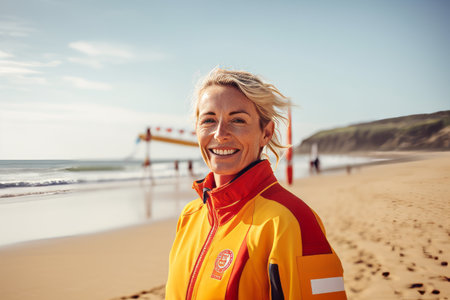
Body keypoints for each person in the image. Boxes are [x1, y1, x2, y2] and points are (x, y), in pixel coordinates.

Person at [166, 68, 347, 300]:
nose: (220, 134)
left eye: (238, 120)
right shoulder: (190, 216)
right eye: (208, 120)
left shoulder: (290, 221)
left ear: (266, 133)